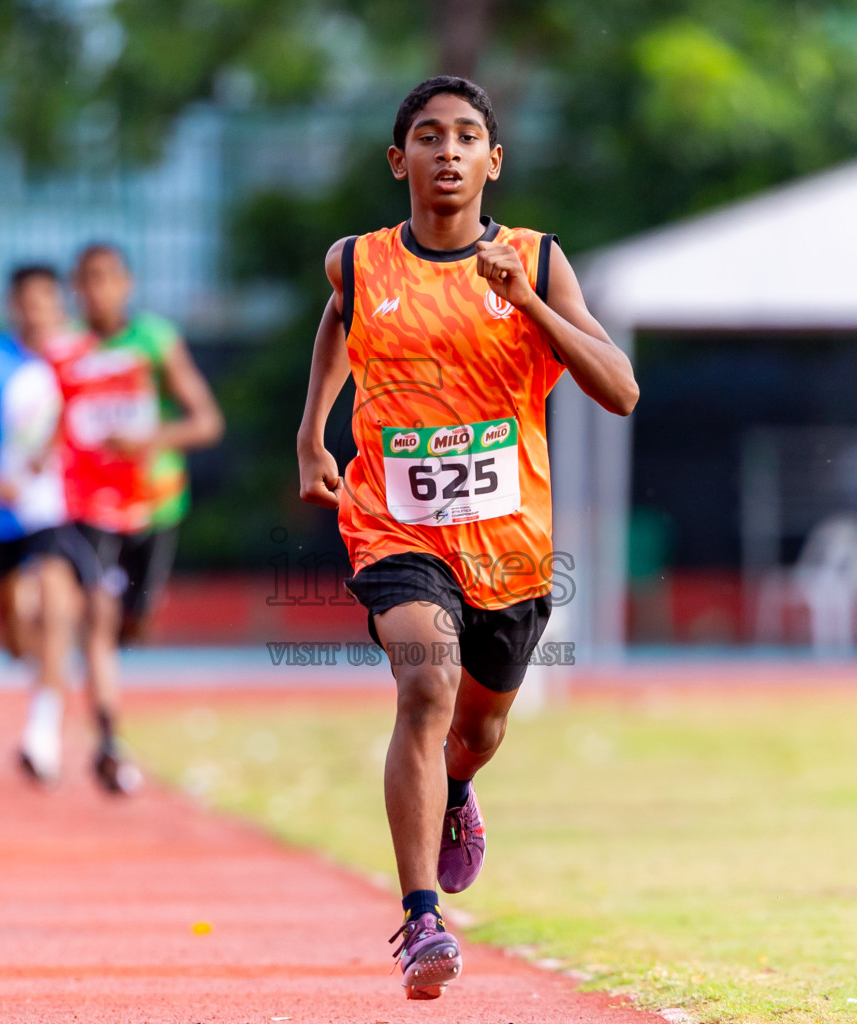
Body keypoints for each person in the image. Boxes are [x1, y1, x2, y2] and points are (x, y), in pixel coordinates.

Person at [295, 76, 638, 1000]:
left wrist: (527, 302)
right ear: (398, 159)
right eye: (429, 136)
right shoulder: (359, 263)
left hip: (510, 544)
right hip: (393, 525)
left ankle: (456, 789)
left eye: (467, 136)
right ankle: (419, 919)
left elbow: (620, 388)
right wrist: (312, 428)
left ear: (494, 160)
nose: (447, 150)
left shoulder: (538, 258)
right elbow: (339, 322)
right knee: (427, 680)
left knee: (477, 729)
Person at [0, 264, 107, 789]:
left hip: (58, 510)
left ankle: (44, 732)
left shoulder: (82, 357)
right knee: (15, 629)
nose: (36, 310)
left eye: (45, 300)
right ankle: (40, 674)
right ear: (12, 306)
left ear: (60, 305)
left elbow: (101, 417)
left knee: (60, 603)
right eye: (25, 301)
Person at [68, 243, 224, 645]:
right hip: (89, 499)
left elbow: (207, 422)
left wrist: (148, 441)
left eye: (105, 278)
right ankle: (98, 694)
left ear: (126, 284)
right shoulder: (66, 348)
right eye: (86, 280)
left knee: (136, 621)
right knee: (93, 607)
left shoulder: (154, 340)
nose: (96, 290)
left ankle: (120, 649)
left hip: (152, 498)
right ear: (74, 287)